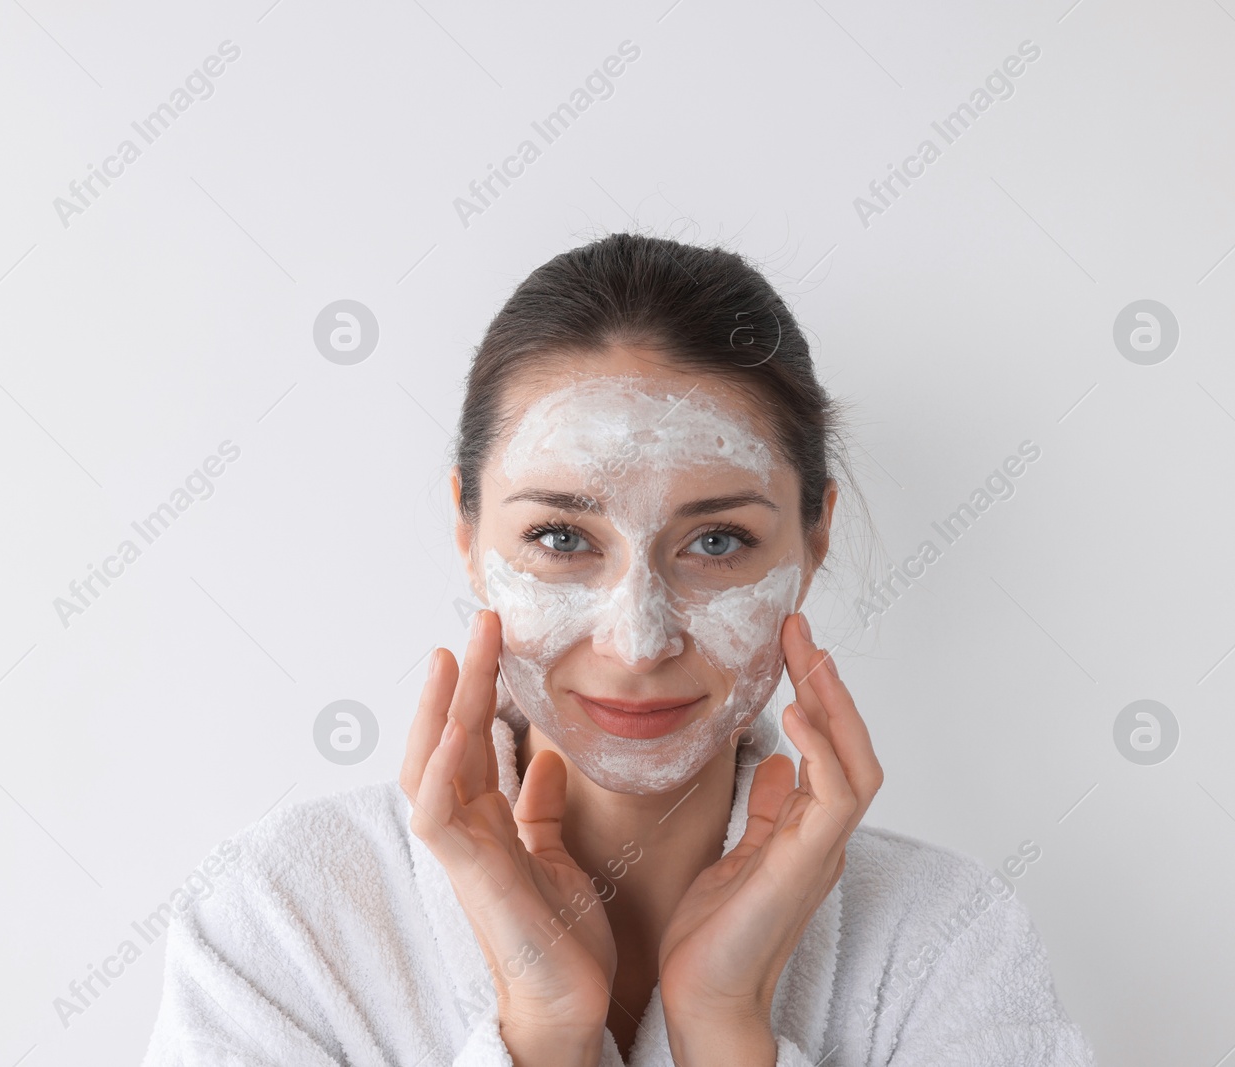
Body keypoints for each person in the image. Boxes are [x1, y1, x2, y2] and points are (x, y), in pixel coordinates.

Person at [141, 233, 1096, 1066]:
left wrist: (725, 1032)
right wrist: (542, 1033)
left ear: (814, 542)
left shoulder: (948, 940)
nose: (637, 641)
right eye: (561, 538)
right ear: (469, 537)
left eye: (717, 541)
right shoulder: (281, 919)